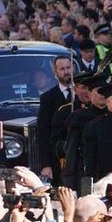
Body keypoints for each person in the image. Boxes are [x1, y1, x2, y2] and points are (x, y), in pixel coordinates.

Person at [36, 56, 73, 184]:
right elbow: (43, 132)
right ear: (55, 73)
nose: (66, 71)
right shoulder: (48, 98)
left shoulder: (82, 94)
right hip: (57, 158)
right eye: (62, 69)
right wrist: (46, 165)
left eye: (68, 68)